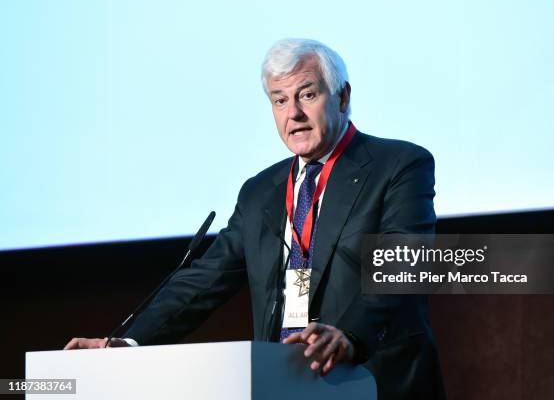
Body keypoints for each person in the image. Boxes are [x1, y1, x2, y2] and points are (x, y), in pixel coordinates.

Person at [65, 38, 446, 400]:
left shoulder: (398, 165)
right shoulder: (261, 190)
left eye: (307, 95)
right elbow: (205, 280)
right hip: (281, 382)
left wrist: (350, 334)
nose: (293, 113)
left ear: (343, 97)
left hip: (373, 381)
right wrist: (129, 344)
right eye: (279, 101)